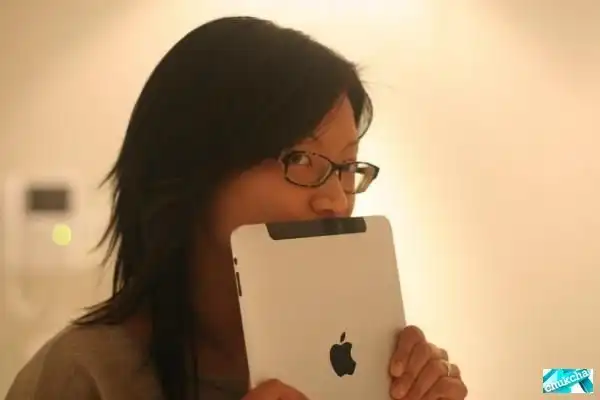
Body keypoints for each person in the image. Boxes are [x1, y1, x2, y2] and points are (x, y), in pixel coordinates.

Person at [6, 16, 468, 400]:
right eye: (300, 159)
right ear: (197, 167)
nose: (335, 199)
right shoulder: (83, 376)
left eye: (347, 167)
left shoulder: (357, 360)